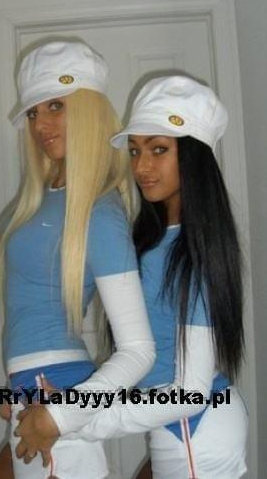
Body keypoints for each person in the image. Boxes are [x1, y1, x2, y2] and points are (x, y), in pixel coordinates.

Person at [15, 76, 248, 479]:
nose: (141, 166)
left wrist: (74, 421)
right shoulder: (153, 238)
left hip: (197, 431)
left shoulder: (195, 251)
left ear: (192, 156)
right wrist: (69, 405)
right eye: (136, 150)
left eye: (158, 150)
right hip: (178, 429)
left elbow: (190, 393)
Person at [0, 40, 155, 479]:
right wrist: (18, 386)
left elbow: (138, 351)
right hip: (32, 390)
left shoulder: (99, 211)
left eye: (56, 106)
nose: (41, 124)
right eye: (33, 112)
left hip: (55, 395)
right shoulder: (43, 198)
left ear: (89, 110)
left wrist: (60, 416)